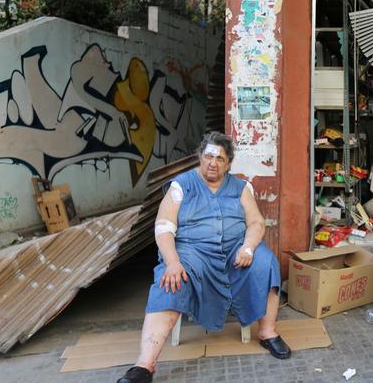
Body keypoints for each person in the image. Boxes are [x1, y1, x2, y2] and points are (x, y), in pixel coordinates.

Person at [117, 132, 290, 383]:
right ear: (200, 156)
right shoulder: (181, 185)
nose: (213, 162)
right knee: (170, 281)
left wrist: (248, 247)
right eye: (208, 156)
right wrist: (173, 262)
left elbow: (256, 222)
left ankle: (268, 333)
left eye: (220, 158)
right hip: (192, 252)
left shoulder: (240, 187)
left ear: (228, 163)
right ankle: (144, 365)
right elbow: (164, 226)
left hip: (234, 251)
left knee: (267, 262)